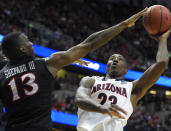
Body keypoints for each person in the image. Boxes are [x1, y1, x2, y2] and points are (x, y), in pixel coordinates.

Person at [0, 8, 148, 131]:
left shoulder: (2, 74)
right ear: (22, 48)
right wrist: (123, 24)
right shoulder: (46, 63)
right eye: (28, 41)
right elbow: (89, 43)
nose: (32, 43)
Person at [75, 21, 171, 131]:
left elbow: (162, 63)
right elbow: (80, 99)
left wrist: (163, 40)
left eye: (120, 59)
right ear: (106, 66)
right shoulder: (91, 80)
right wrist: (102, 108)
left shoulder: (132, 89)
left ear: (126, 70)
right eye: (112, 58)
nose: (115, 60)